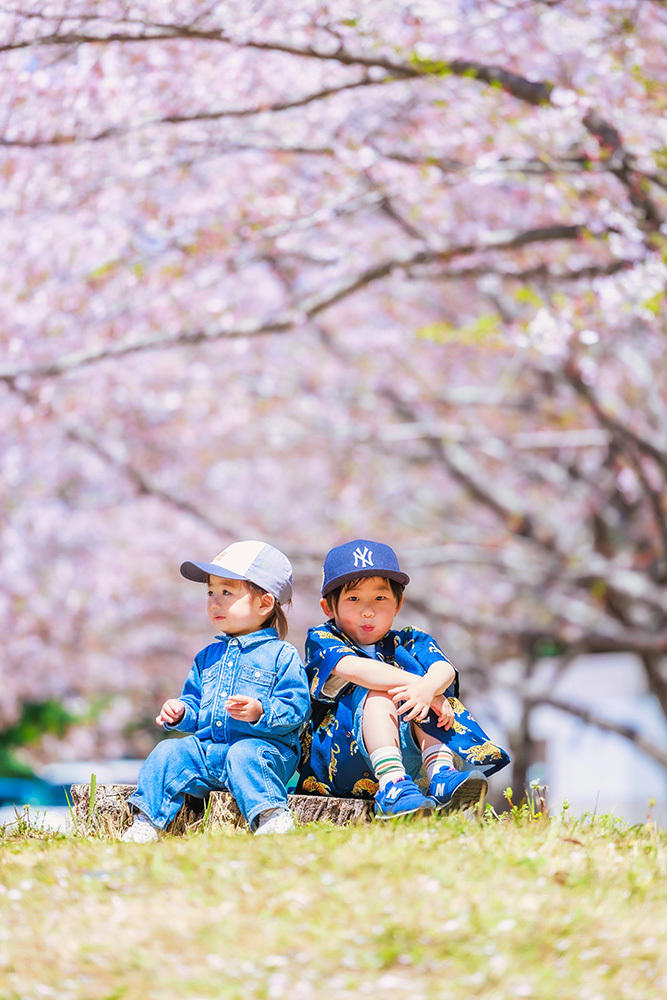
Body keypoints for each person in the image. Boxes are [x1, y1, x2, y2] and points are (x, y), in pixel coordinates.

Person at [296, 539, 510, 818]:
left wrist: (430, 688)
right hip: (343, 760)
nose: (368, 610)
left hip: (410, 756)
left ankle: (441, 773)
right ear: (328, 607)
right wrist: (425, 689)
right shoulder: (324, 638)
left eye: (380, 598)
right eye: (353, 598)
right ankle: (392, 784)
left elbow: (443, 669)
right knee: (382, 693)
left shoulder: (410, 640)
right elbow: (358, 669)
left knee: (430, 694)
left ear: (398, 603)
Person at [121, 540, 311, 842]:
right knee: (169, 751)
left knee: (244, 753)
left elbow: (297, 708)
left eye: (227, 592)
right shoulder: (207, 657)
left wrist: (260, 711)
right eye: (210, 592)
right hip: (209, 751)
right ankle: (147, 821)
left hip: (263, 751)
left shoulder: (281, 655)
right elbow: (195, 705)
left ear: (264, 603)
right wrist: (181, 712)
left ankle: (271, 814)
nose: (215, 602)